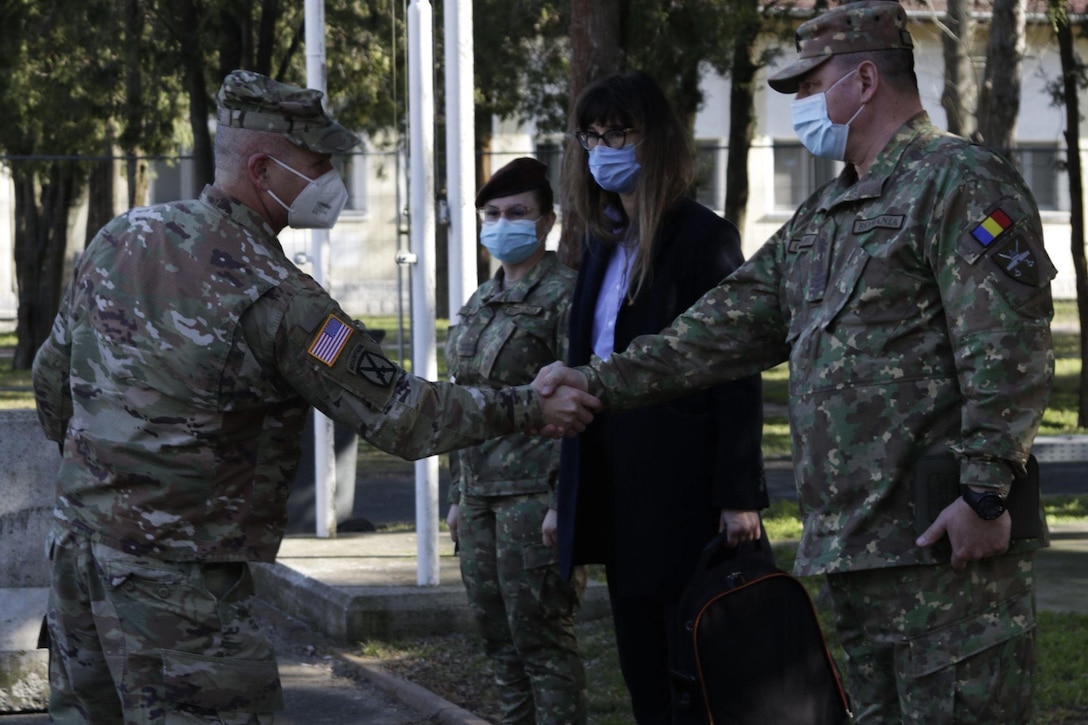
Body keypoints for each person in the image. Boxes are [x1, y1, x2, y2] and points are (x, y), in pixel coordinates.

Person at [534, 3, 1055, 723]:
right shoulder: (823, 218)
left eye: (810, 88)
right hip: (855, 557)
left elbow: (1010, 345)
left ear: (865, 79)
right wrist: (593, 379)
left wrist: (986, 493)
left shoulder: (959, 181)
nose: (802, 107)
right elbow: (713, 333)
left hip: (947, 555)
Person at [30, 70, 598, 724]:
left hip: (76, 566)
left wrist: (111, 480)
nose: (332, 176)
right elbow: (404, 415)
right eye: (319, 161)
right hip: (180, 596)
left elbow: (53, 385)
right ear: (264, 168)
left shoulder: (118, 239)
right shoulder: (280, 297)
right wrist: (530, 405)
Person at [557, 70, 768, 724]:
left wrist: (738, 494)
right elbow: (585, 361)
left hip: (683, 487)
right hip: (614, 481)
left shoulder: (702, 239)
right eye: (591, 136)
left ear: (656, 141)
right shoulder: (600, 244)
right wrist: (563, 491)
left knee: (698, 671)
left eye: (619, 132)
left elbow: (735, 365)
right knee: (641, 666)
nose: (603, 149)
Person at [444, 157, 586, 724]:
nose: (504, 224)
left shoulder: (568, 296)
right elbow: (464, 403)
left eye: (518, 213)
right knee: (499, 644)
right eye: (494, 214)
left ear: (547, 221)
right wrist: (458, 494)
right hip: (479, 497)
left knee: (542, 643)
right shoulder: (480, 302)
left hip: (535, 496)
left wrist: (563, 503)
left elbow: (585, 402)